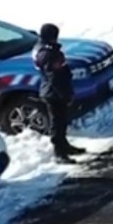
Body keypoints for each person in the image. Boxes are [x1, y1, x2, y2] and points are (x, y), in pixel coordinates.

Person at [32, 23, 84, 163]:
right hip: (54, 92)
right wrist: (64, 93)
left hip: (52, 90)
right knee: (57, 123)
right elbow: (54, 76)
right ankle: (59, 153)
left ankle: (64, 146)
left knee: (62, 121)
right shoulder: (49, 53)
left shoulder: (43, 49)